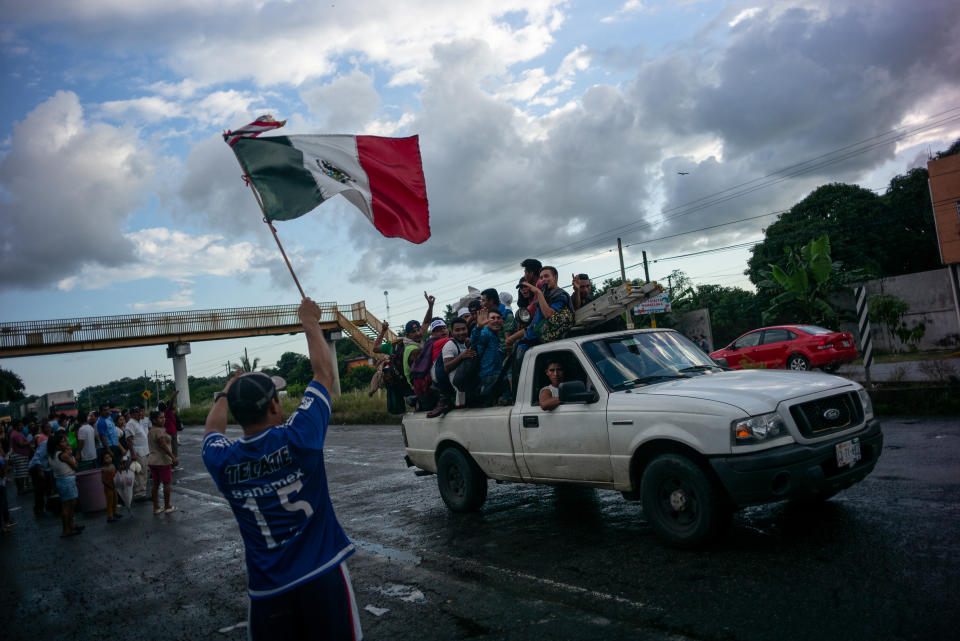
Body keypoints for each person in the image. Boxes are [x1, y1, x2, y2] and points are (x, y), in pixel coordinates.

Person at [202, 298, 362, 641]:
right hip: (322, 575)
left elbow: (211, 432)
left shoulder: (223, 462)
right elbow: (323, 373)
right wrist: (309, 321)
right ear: (275, 404)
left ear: (237, 412)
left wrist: (225, 394)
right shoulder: (299, 439)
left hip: (268, 590)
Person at [48, 430, 83, 538]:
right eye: (63, 442)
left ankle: (70, 526)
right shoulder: (63, 455)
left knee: (67, 505)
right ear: (58, 445)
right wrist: (72, 458)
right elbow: (75, 466)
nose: (66, 443)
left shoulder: (52, 455)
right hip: (67, 480)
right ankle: (66, 530)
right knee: (68, 506)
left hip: (61, 480)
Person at [471, 308, 505, 404]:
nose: (496, 320)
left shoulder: (496, 336)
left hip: (496, 377)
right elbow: (474, 340)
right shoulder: (485, 332)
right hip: (487, 377)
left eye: (498, 318)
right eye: (492, 318)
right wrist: (478, 327)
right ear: (487, 321)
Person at [147, 410, 177, 514]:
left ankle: (156, 507)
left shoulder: (151, 430)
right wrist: (173, 457)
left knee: (155, 484)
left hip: (152, 460)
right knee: (166, 483)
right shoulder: (159, 431)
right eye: (160, 418)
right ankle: (167, 506)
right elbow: (163, 445)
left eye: (163, 417)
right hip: (162, 461)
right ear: (154, 420)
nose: (163, 419)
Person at [124, 407, 150, 499]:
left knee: (143, 472)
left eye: (140, 412)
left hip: (144, 451)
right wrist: (133, 454)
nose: (139, 414)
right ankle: (139, 494)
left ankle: (142, 492)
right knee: (140, 473)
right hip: (138, 452)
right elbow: (129, 440)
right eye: (137, 413)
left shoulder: (138, 422)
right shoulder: (130, 424)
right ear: (131, 415)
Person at [28, 430, 52, 516]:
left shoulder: (55, 445)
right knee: (40, 488)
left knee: (48, 486)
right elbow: (36, 458)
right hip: (35, 467)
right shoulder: (45, 444)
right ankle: (38, 509)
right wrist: (40, 471)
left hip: (46, 468)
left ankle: (48, 506)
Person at [8, 421, 33, 495]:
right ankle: (21, 490)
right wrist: (30, 442)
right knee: (21, 474)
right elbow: (21, 444)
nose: (22, 427)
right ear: (16, 426)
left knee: (18, 474)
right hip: (20, 455)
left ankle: (20, 489)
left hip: (16, 455)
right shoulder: (17, 435)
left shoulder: (13, 433)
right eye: (20, 426)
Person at [160, 390, 181, 469]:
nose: (175, 405)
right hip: (171, 433)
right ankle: (172, 465)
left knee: (173, 449)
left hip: (172, 432)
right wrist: (173, 396)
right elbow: (171, 403)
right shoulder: (168, 411)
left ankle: (172, 465)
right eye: (174, 404)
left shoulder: (170, 412)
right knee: (173, 449)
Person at [101, 452, 120, 522]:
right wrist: (109, 486)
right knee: (109, 501)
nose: (109, 459)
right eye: (106, 458)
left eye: (109, 457)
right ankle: (110, 515)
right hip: (108, 487)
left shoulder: (113, 466)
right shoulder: (103, 469)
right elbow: (103, 480)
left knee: (115, 499)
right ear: (103, 460)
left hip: (114, 486)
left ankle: (115, 512)